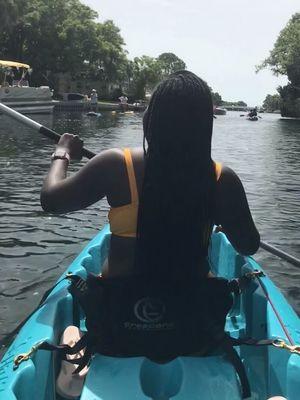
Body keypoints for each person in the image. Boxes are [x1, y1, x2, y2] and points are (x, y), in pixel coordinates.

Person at [41, 70, 260, 397]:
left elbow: (52, 200)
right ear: (205, 126)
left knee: (79, 321)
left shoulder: (115, 165)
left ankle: (73, 359)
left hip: (117, 328)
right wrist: (220, 215)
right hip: (192, 330)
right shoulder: (221, 180)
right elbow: (249, 245)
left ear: (152, 119)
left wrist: (63, 153)